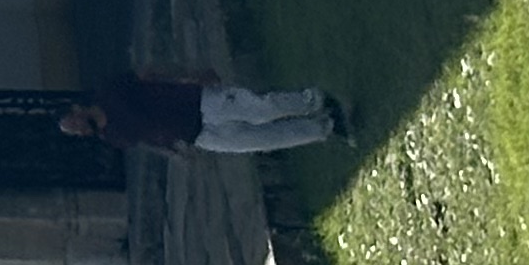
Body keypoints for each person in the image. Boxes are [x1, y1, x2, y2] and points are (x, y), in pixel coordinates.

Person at [61, 79, 346, 154]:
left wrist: (191, 75)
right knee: (263, 140)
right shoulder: (110, 136)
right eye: (73, 132)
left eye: (73, 123)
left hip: (197, 104)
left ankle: (313, 100)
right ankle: (325, 127)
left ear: (77, 110)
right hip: (198, 135)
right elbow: (144, 139)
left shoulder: (110, 93)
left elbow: (149, 76)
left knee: (261, 110)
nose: (77, 129)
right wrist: (174, 151)